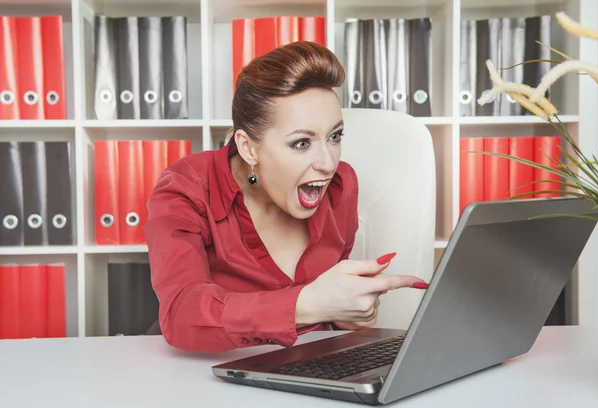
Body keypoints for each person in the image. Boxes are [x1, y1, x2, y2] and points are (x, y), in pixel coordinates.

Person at [142, 41, 429, 353]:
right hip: (201, 376)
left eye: (334, 137)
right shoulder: (186, 188)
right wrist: (308, 305)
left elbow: (328, 315)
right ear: (248, 147)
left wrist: (348, 312)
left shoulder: (341, 187)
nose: (328, 163)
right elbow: (182, 313)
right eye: (301, 143)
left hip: (306, 372)